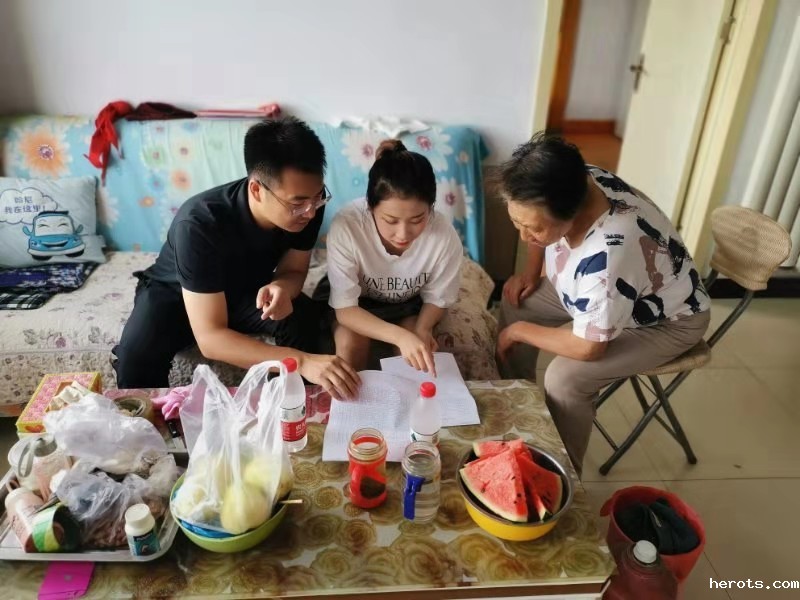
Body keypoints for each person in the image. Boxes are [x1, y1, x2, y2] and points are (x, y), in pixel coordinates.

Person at [496, 133, 710, 475]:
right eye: (516, 223)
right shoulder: (574, 177)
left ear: (569, 210)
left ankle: (561, 475)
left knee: (564, 379)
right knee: (516, 302)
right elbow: (534, 220)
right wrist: (530, 272)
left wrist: (519, 332)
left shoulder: (609, 254)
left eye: (532, 228)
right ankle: (518, 409)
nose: (524, 236)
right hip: (593, 292)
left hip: (666, 321)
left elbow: (588, 347)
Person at [112, 117, 361, 399]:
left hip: (245, 289)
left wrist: (282, 287)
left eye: (317, 197)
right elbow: (211, 339)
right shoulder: (199, 224)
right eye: (297, 203)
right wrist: (300, 361)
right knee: (135, 362)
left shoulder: (308, 207)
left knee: (304, 319)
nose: (311, 212)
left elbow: (293, 270)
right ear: (256, 189)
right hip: (175, 295)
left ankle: (289, 408)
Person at [320, 139, 463, 375]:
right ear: (370, 207)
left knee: (417, 358)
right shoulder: (347, 226)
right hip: (358, 304)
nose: (403, 234)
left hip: (408, 303)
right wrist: (399, 336)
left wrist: (422, 329)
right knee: (351, 344)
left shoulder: (444, 235)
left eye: (417, 220)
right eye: (390, 220)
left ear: (431, 207)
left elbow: (437, 298)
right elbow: (346, 310)